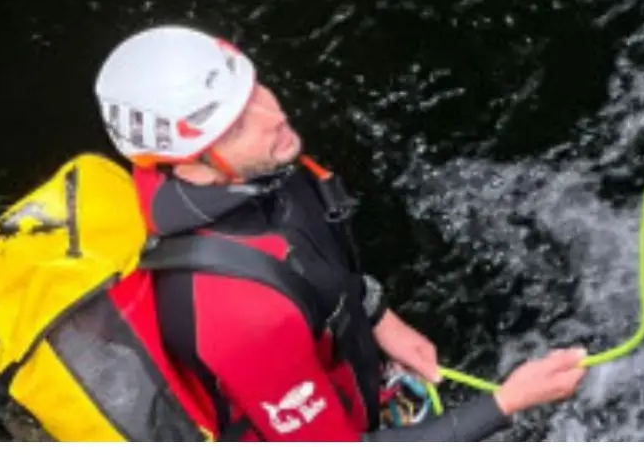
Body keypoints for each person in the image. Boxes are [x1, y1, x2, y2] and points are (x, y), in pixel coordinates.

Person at [93, 24, 588, 441]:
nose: (274, 116)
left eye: (256, 90)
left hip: (341, 377)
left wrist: (379, 317)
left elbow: (315, 258)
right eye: (237, 125)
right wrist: (507, 402)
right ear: (191, 163)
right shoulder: (238, 315)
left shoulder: (258, 170)